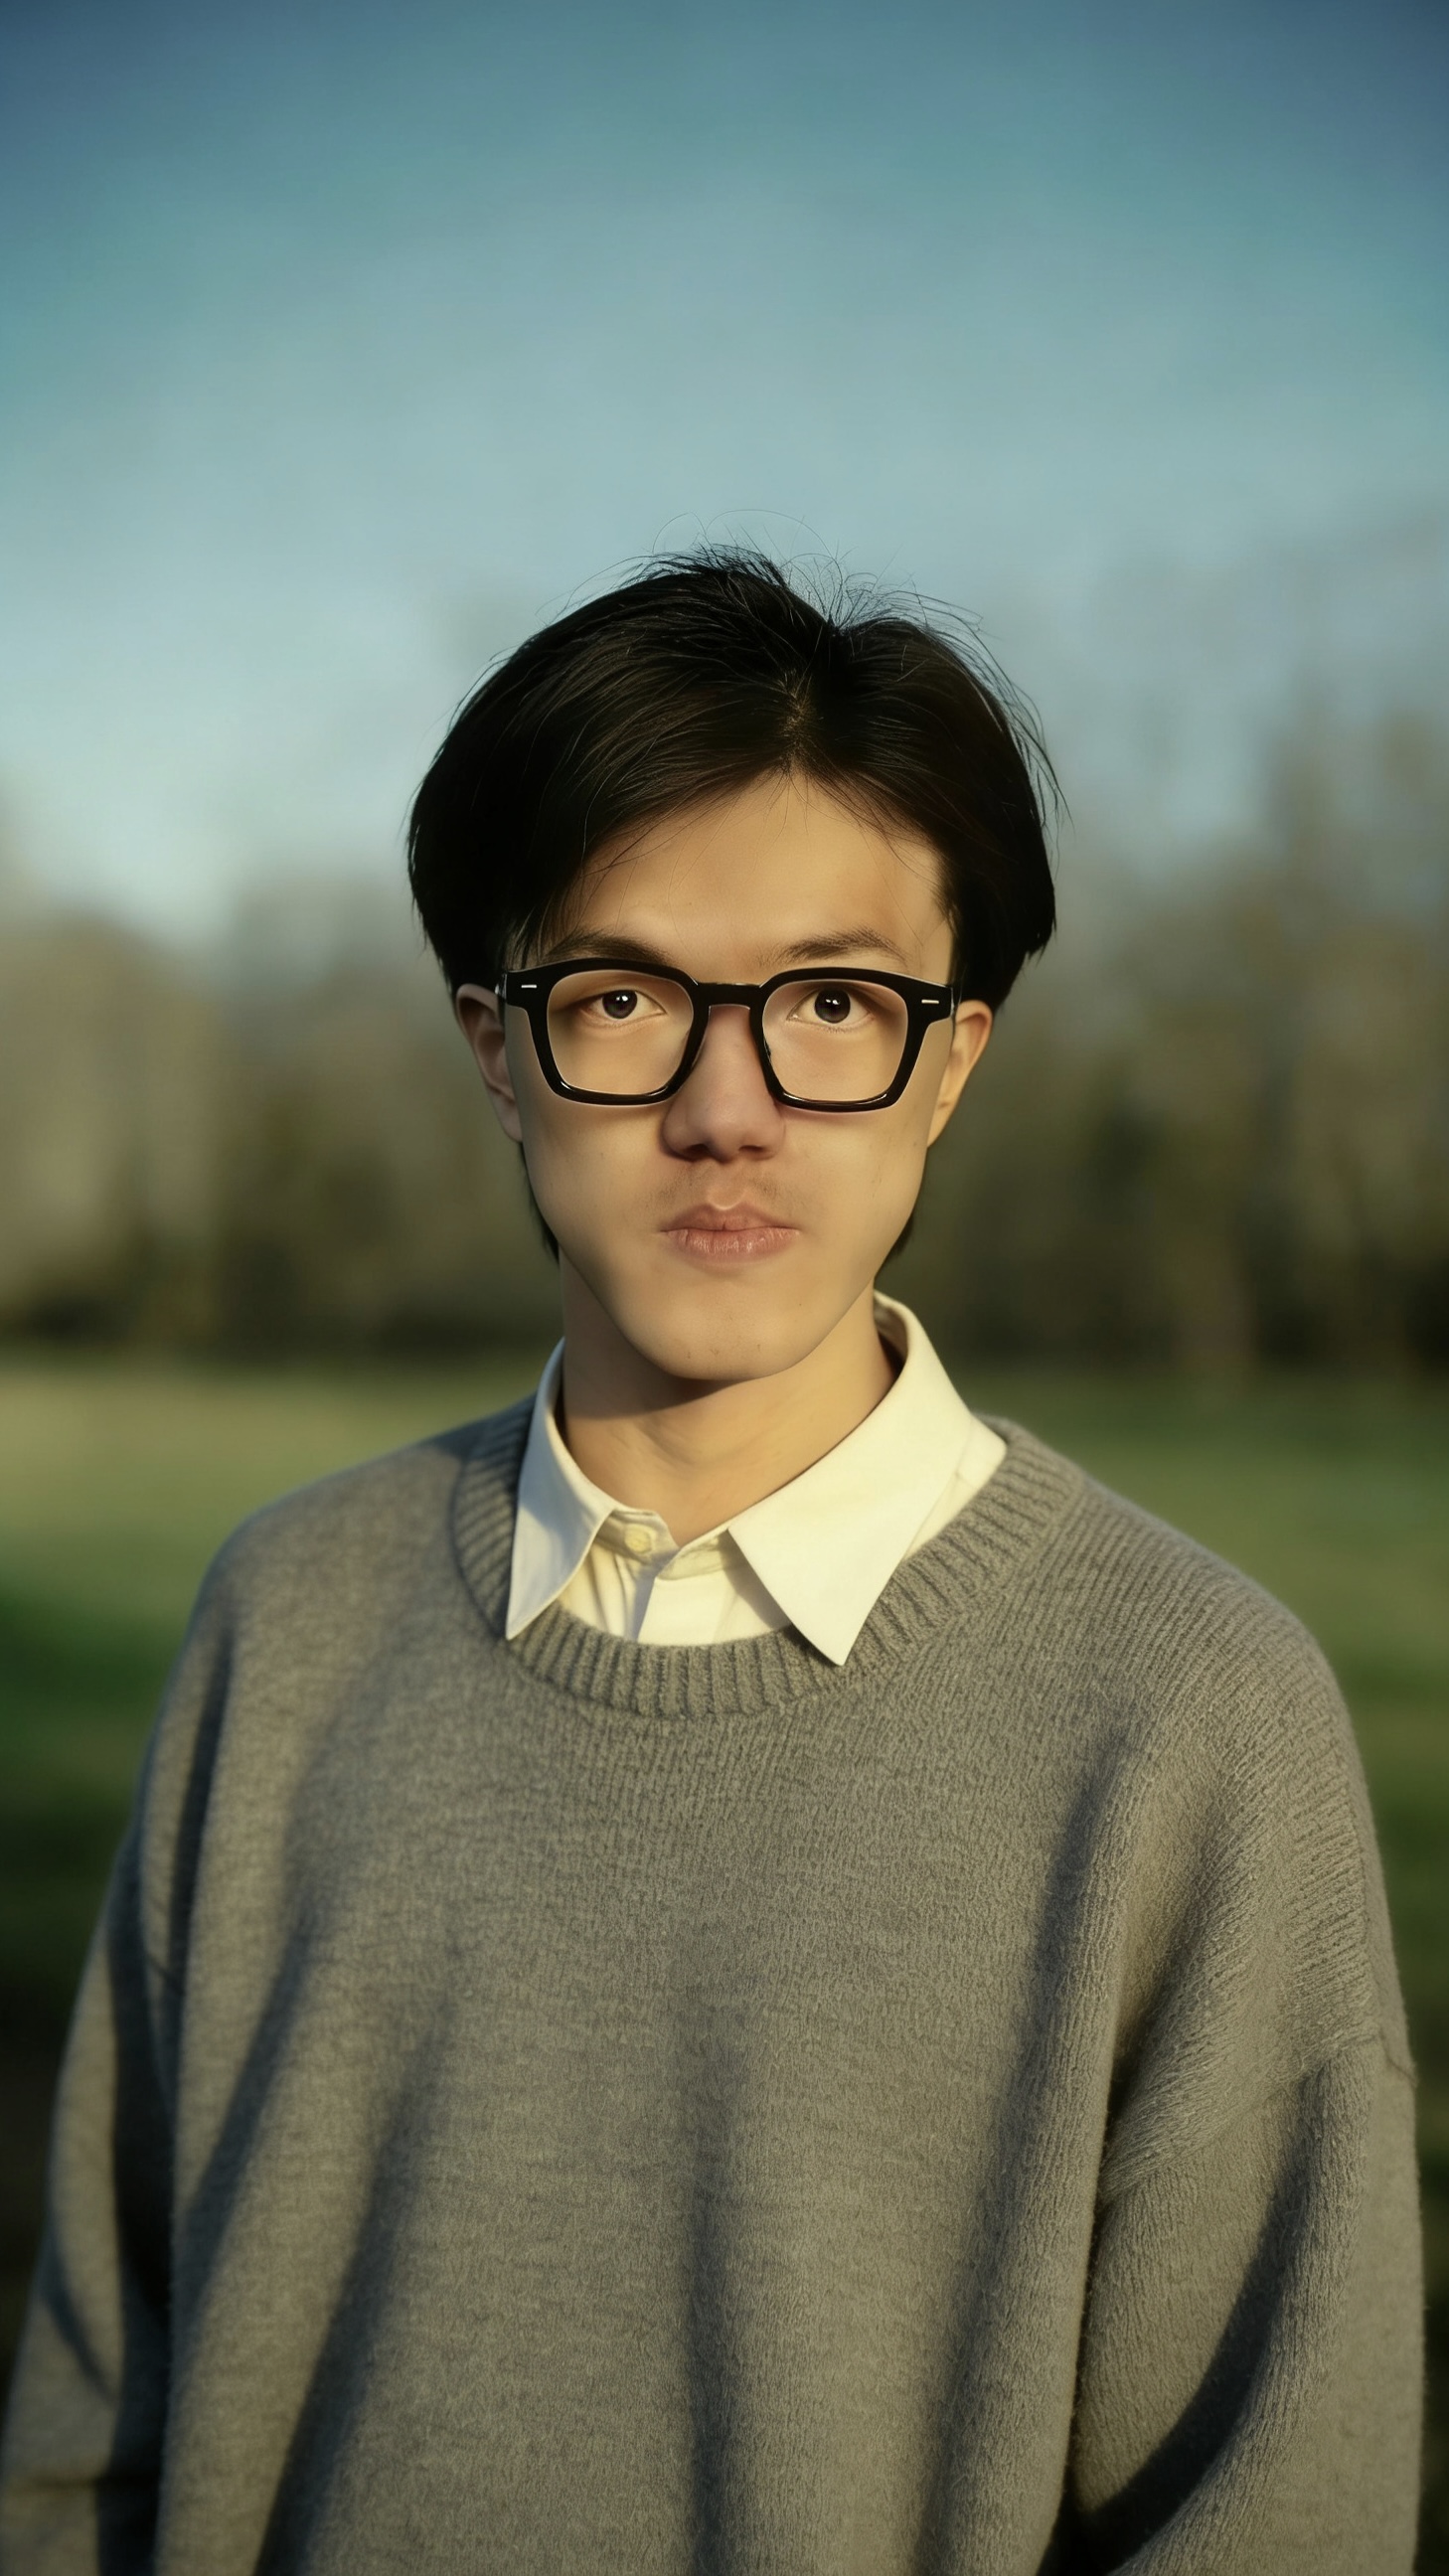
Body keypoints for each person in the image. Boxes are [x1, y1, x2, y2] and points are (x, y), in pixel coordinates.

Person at [0, 553, 1421, 2570]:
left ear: (952, 1058)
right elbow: (88, 2442)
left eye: (833, 1003)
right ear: (498, 1050)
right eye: (626, 999)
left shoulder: (1191, 1717)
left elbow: (1272, 2520)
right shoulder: (285, 1619)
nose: (725, 1109)